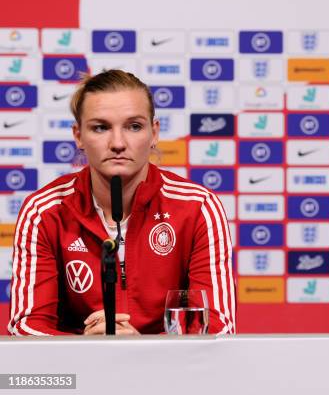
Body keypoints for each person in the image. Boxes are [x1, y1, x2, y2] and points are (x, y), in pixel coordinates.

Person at [8, 70, 235, 335]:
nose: (117, 143)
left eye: (134, 126)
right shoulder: (44, 211)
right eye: (100, 127)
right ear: (78, 135)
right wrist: (84, 347)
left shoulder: (198, 207)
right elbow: (26, 328)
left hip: (170, 373)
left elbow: (217, 327)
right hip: (79, 373)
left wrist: (141, 348)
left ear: (154, 133)